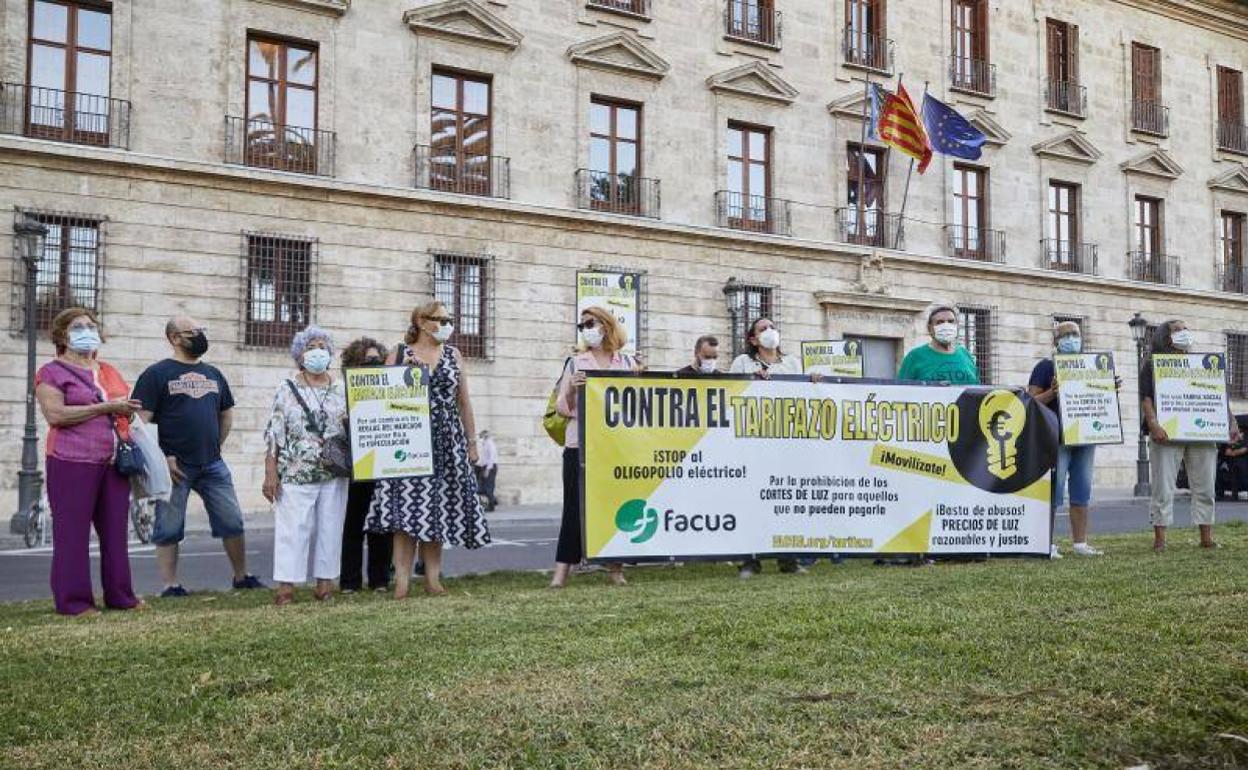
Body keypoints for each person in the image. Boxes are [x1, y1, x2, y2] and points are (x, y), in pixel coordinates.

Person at [365, 301, 491, 598]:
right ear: (422, 322)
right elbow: (378, 398)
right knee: (405, 512)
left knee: (437, 509)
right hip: (408, 441)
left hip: (447, 440)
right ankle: (402, 582)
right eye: (441, 318)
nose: (447, 323)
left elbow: (464, 401)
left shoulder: (454, 354)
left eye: (449, 318)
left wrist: (472, 443)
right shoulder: (399, 353)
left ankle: (433, 579)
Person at [133, 316, 262, 597]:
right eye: (193, 332)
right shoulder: (156, 374)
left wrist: (216, 444)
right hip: (174, 466)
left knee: (232, 521)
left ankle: (242, 576)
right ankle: (171, 586)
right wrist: (162, 457)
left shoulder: (213, 373)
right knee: (168, 526)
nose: (199, 336)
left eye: (200, 331)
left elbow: (226, 412)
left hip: (212, 463)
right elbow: (141, 424)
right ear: (174, 338)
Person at [33, 307, 145, 616]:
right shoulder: (51, 372)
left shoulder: (107, 370)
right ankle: (75, 602)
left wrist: (126, 410)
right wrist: (105, 407)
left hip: (114, 462)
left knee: (115, 531)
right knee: (72, 532)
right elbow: (55, 415)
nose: (87, 330)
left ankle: (122, 596)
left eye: (91, 325)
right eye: (78, 326)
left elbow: (123, 408)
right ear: (63, 336)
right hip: (71, 461)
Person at [551, 306, 638, 588]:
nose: (586, 329)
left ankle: (615, 568)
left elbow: (635, 405)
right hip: (579, 445)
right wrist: (574, 390)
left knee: (615, 505)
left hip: (613, 448)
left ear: (606, 325)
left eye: (590, 323)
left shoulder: (625, 363)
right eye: (582, 325)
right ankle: (561, 573)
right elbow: (561, 408)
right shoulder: (576, 362)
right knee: (573, 509)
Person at [262, 326, 349, 605]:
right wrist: (270, 471)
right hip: (295, 469)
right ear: (300, 354)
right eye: (311, 346)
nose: (318, 351)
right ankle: (285, 586)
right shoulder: (286, 389)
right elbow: (274, 431)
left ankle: (325, 585)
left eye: (323, 346)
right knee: (292, 528)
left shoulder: (341, 389)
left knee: (331, 526)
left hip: (333, 470)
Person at [1140, 319, 1242, 551]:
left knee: (1206, 486)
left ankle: (1206, 537)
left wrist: (1231, 423)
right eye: (1177, 329)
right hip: (1165, 434)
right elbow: (1146, 398)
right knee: (1163, 487)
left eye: (1186, 329)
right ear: (1166, 336)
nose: (1184, 333)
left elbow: (1218, 398)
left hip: (1202, 433)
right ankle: (1160, 540)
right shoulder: (1152, 364)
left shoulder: (1203, 364)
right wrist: (1154, 424)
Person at [728, 318, 816, 577]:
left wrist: (815, 382)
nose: (770, 332)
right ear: (753, 339)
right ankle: (750, 560)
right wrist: (750, 380)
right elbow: (730, 392)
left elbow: (803, 395)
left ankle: (787, 558)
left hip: (785, 442)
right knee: (751, 500)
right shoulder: (742, 363)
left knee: (783, 498)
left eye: (772, 327)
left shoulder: (792, 363)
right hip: (752, 441)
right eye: (762, 329)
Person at [1028, 320, 1110, 557]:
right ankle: (1047, 543)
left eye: (1075, 334)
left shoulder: (1091, 366)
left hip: (1085, 436)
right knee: (1053, 492)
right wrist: (1052, 392)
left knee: (1082, 491)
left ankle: (1080, 543)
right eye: (1066, 335)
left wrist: (1108, 388)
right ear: (1056, 341)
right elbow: (1030, 401)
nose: (1072, 338)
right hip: (1057, 439)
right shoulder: (1044, 366)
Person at [338, 337, 392, 593]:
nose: (374, 364)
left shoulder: (390, 390)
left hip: (383, 464)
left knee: (381, 524)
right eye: (367, 360)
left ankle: (380, 579)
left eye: (377, 360)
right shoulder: (341, 391)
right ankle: (349, 582)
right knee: (353, 524)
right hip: (355, 465)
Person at [897, 306, 980, 384]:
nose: (946, 326)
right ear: (930, 328)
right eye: (940, 322)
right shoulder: (915, 357)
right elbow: (901, 391)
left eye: (951, 321)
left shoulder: (966, 355)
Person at [475, 430, 499, 512]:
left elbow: (491, 458)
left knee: (488, 486)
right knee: (482, 487)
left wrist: (488, 469)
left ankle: (491, 505)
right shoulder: (484, 443)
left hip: (490, 467)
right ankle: (493, 501)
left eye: (482, 435)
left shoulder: (490, 444)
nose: (480, 436)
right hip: (484, 466)